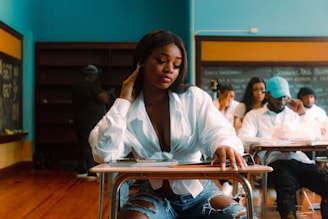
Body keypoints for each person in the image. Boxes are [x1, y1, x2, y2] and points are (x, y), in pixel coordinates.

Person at [89, 30, 249, 219]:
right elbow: (104, 153)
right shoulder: (128, 110)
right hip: (155, 196)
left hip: (200, 194)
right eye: (161, 60)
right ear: (142, 61)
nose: (169, 69)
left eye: (177, 64)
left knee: (242, 216)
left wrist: (223, 145)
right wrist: (124, 99)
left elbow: (219, 131)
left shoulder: (193, 98)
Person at [238, 76, 328, 219]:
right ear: (267, 95)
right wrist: (273, 140)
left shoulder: (294, 114)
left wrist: (302, 113)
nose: (281, 101)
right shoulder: (254, 116)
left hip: (299, 160)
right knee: (285, 185)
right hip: (274, 164)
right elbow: (243, 138)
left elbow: (313, 133)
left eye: (284, 97)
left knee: (325, 179)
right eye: (277, 97)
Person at [71, 64, 109, 179]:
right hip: (91, 119)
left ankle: (81, 170)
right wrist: (107, 94)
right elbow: (103, 98)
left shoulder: (76, 85)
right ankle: (92, 171)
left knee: (82, 144)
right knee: (90, 144)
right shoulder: (92, 84)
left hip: (79, 118)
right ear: (93, 75)